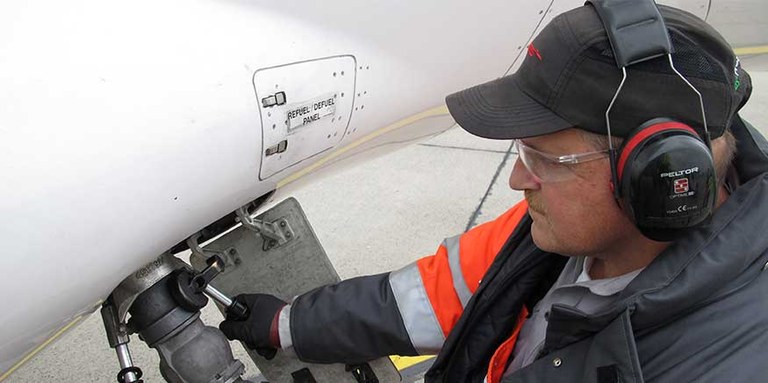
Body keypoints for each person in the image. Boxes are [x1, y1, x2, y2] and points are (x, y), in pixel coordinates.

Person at [220, 2, 768, 382]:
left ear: (657, 175)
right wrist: (284, 324)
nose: (517, 180)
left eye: (542, 158)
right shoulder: (559, 231)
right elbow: (423, 300)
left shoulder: (716, 364)